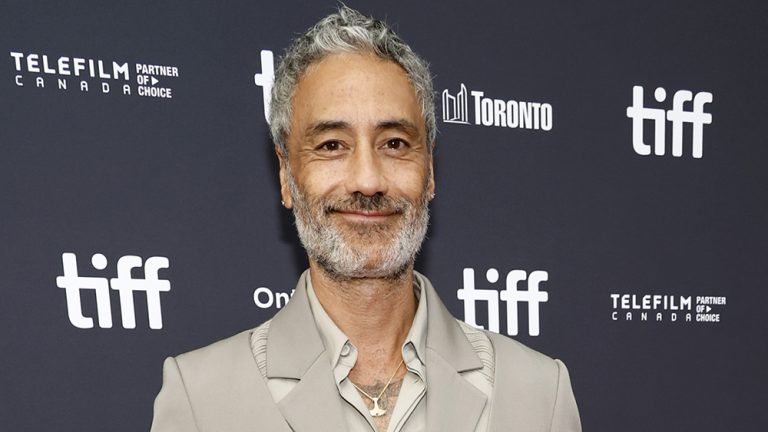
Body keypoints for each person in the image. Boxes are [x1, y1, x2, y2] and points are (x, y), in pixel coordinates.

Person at [151, 6, 581, 432]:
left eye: (394, 143)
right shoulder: (200, 399)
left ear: (429, 172)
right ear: (286, 176)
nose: (368, 180)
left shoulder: (540, 392)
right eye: (332, 145)